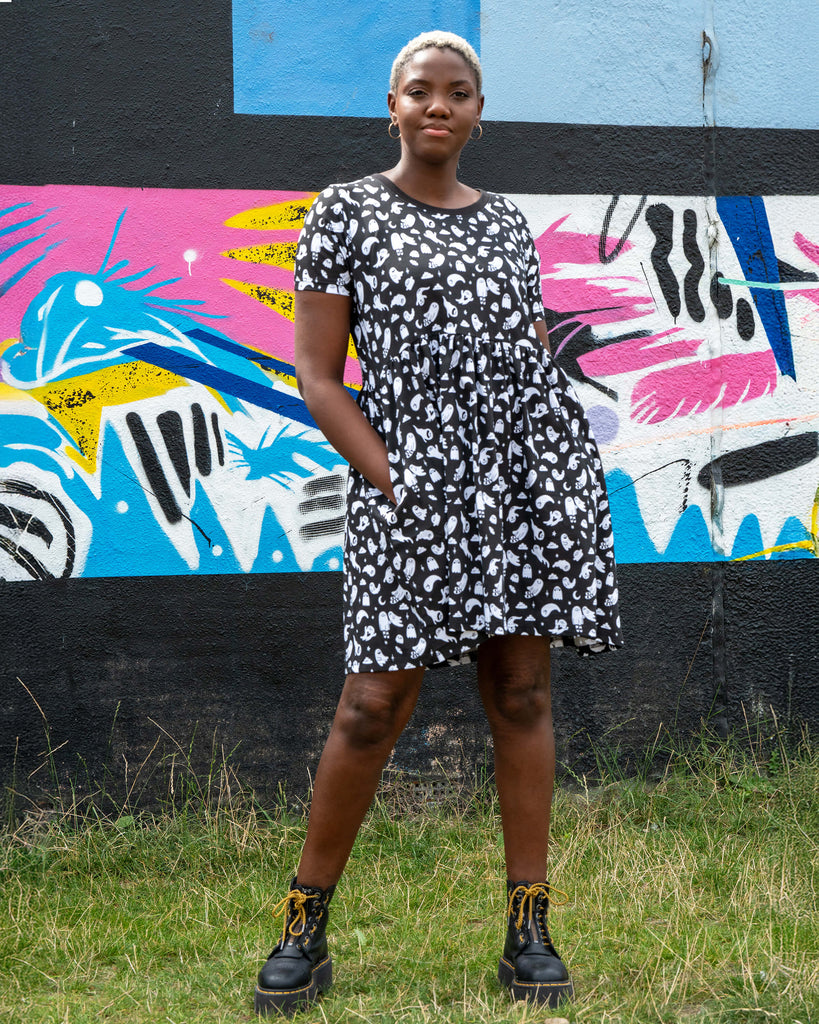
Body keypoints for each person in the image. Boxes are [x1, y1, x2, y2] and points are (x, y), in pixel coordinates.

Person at [254, 30, 622, 1016]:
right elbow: (320, 377)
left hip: (519, 487)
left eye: (459, 93)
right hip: (404, 490)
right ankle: (302, 925)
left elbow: (521, 365)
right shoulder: (346, 212)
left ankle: (529, 926)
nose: (439, 107)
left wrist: (555, 469)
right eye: (422, 90)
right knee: (371, 704)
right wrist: (395, 479)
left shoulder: (505, 223)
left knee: (521, 692)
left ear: (478, 112)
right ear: (392, 103)